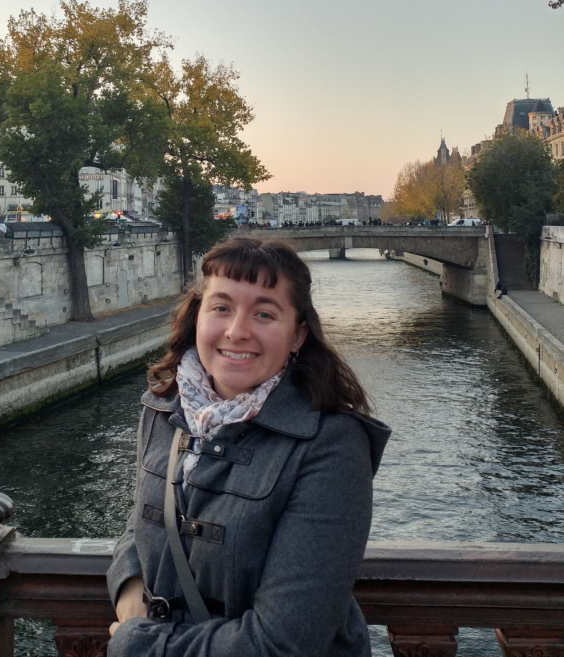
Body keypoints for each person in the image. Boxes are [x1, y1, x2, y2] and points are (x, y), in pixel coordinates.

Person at [106, 237, 391, 657]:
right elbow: (143, 515)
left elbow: (285, 642)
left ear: (298, 336)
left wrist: (139, 644)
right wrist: (130, 582)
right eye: (221, 307)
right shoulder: (165, 409)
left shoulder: (331, 444)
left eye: (263, 313)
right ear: (197, 317)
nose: (237, 332)